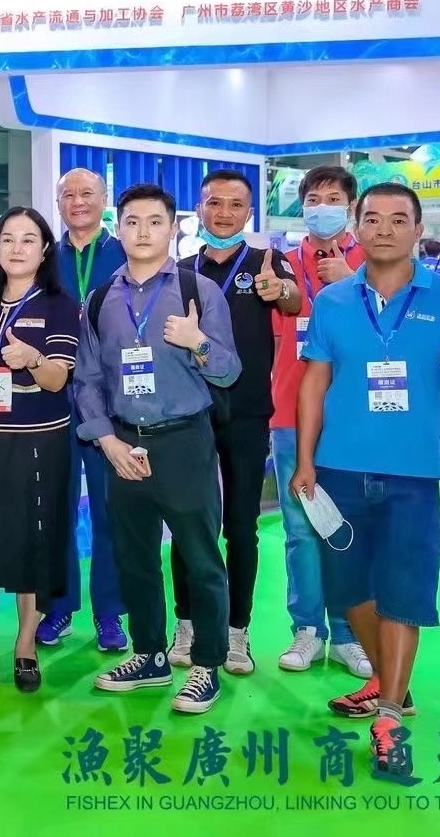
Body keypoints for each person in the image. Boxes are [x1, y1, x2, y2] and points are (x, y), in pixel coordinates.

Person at [291, 182, 440, 778]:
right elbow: (314, 383)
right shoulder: (333, 301)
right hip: (339, 470)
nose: (384, 229)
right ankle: (388, 683)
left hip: (412, 475)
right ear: (358, 226)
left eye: (398, 219)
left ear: (417, 230)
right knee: (349, 591)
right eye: (372, 218)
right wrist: (305, 461)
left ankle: (389, 717)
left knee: (403, 593)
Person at [71, 184, 240, 715]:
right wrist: (106, 440)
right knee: (134, 556)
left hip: (184, 441)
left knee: (200, 557)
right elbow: (87, 379)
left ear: (173, 228)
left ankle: (207, 663)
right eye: (132, 222)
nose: (143, 232)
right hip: (123, 443)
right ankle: (149, 655)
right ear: (118, 229)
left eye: (155, 222)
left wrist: (197, 342)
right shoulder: (100, 299)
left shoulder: (197, 291)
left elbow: (229, 370)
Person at [165, 170, 300, 677]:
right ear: (199, 209)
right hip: (189, 413)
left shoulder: (267, 261)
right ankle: (187, 623)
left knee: (241, 526)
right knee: (187, 524)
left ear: (249, 213)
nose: (224, 213)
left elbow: (293, 300)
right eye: (214, 203)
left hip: (246, 412)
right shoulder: (180, 271)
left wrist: (280, 289)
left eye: (235, 204)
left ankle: (237, 631)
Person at [0, 208, 78, 697]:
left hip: (40, 443)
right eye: (7, 238)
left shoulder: (61, 305)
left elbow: (58, 379)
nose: (17, 248)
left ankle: (25, 646)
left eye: (28, 239)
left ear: (44, 250)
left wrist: (33, 358)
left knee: (33, 548)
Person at [270, 165, 373, 677]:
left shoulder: (371, 263)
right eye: (313, 198)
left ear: (350, 208)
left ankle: (350, 633)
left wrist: (351, 284)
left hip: (352, 415)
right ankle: (307, 629)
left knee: (349, 524)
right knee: (300, 527)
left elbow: (385, 331)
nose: (321, 207)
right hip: (290, 413)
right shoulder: (282, 265)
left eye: (333, 198)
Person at [47, 167, 128, 653]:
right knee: (56, 506)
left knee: (109, 509)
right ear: (58, 202)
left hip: (110, 400)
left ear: (104, 199)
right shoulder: (44, 257)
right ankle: (58, 607)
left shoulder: (124, 253)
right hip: (53, 399)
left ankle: (109, 612)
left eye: (87, 193)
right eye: (68, 195)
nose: (78, 201)